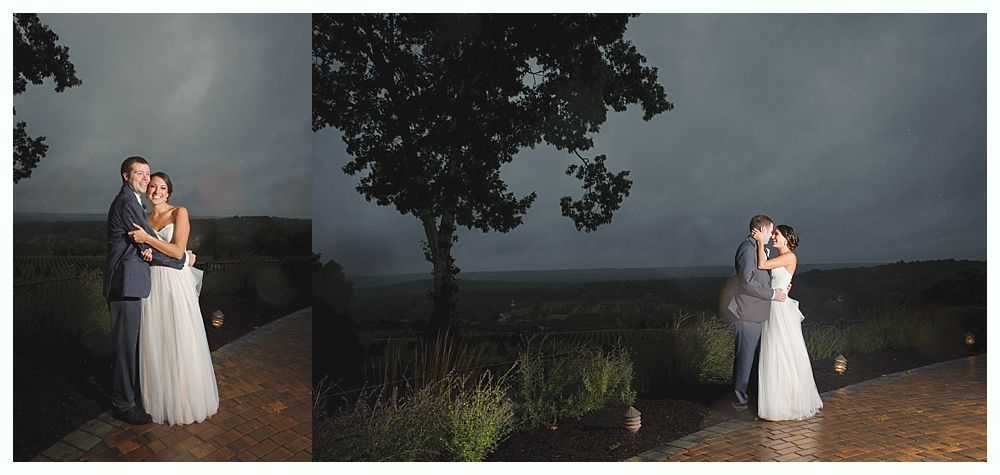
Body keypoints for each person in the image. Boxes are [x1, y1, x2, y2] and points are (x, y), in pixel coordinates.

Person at [102, 156, 192, 425]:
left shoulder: (134, 202)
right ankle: (125, 405)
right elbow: (145, 247)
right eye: (139, 174)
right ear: (125, 176)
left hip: (135, 284)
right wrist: (181, 260)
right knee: (125, 347)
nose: (144, 179)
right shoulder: (128, 202)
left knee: (133, 345)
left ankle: (132, 396)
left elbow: (149, 246)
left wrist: (173, 255)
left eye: (147, 174)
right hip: (125, 284)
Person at [128, 171, 219, 425]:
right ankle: (158, 401)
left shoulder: (180, 212)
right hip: (152, 283)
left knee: (179, 336)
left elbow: (179, 251)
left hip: (174, 283)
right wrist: (145, 250)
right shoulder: (144, 218)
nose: (156, 191)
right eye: (152, 187)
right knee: (156, 339)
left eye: (161, 188)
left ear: (168, 192)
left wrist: (147, 240)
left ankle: (184, 402)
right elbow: (144, 252)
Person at [750, 224, 823, 421]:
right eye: (773, 233)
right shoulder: (779, 257)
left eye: (777, 234)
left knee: (782, 352)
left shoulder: (790, 256)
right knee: (775, 352)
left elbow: (762, 265)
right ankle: (779, 401)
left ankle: (788, 402)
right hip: (773, 305)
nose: (773, 236)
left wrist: (758, 242)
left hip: (780, 309)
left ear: (786, 239)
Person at [727, 214, 788, 413]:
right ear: (762, 230)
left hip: (760, 314)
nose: (772, 236)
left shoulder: (758, 248)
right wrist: (772, 294)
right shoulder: (746, 249)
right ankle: (739, 404)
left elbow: (763, 276)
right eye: (771, 231)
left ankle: (749, 400)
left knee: (755, 361)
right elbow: (747, 282)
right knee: (745, 360)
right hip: (747, 314)